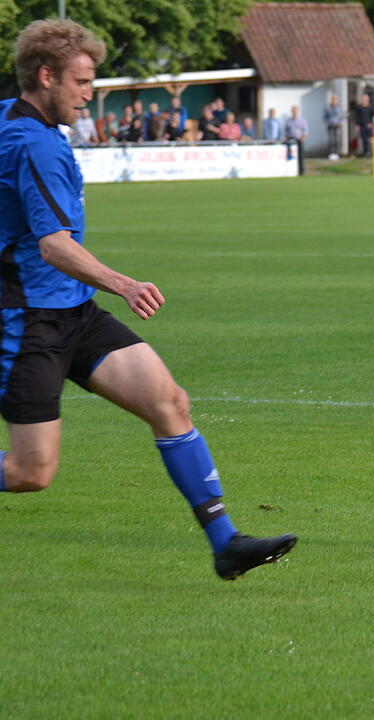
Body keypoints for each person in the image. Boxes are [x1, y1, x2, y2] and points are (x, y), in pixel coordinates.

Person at [0, 19, 296, 579]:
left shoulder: (16, 121)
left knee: (170, 403)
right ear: (46, 76)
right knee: (30, 471)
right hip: (26, 321)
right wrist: (126, 284)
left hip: (74, 313)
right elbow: (54, 245)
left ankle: (226, 544)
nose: (90, 93)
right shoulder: (32, 143)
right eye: (82, 81)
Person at [325, 93, 343, 159]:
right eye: (333, 99)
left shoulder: (339, 107)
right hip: (330, 125)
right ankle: (331, 153)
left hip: (337, 125)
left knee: (337, 140)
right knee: (331, 140)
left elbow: (341, 117)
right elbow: (325, 117)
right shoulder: (327, 107)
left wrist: (340, 122)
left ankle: (336, 153)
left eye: (335, 99)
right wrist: (327, 122)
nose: (334, 101)